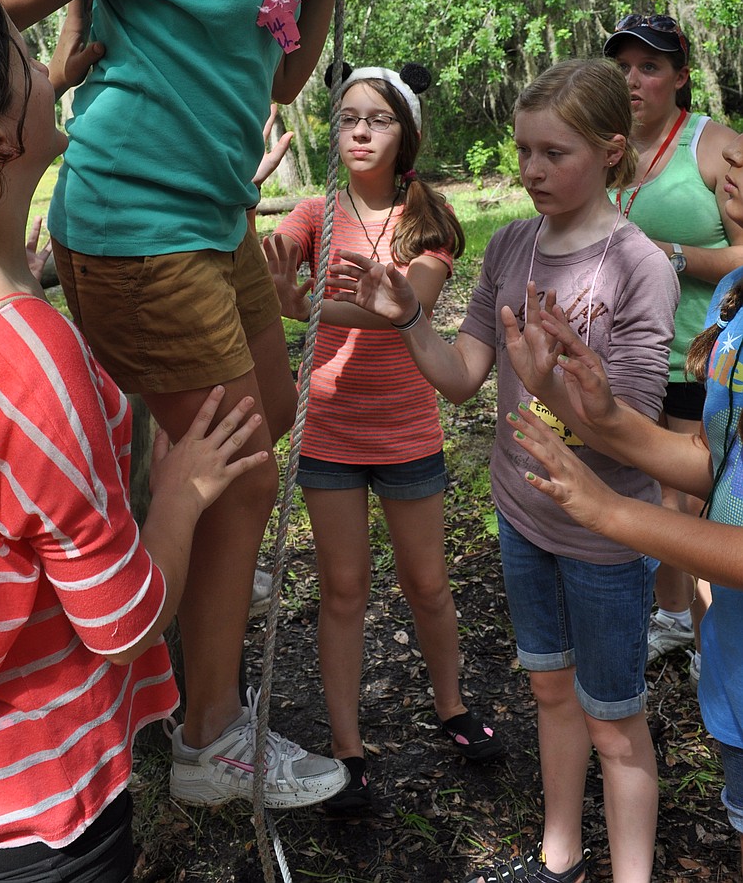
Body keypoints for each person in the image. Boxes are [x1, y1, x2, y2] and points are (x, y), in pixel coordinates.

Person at [0, 0, 386, 807]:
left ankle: (147, 594)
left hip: (211, 224)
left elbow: (274, 80)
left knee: (262, 414)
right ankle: (207, 742)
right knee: (243, 474)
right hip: (130, 225)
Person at [0, 0, 274, 881]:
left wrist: (46, 80)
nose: (47, 70)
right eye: (26, 59)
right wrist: (179, 495)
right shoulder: (31, 360)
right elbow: (126, 620)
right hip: (47, 801)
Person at [329, 59, 679, 883]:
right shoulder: (514, 244)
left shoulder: (639, 267)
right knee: (551, 693)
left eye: (554, 153)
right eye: (523, 151)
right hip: (524, 519)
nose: (530, 171)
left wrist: (555, 378)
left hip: (604, 537)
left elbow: (630, 432)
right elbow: (460, 375)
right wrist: (410, 317)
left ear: (610, 151)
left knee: (617, 724)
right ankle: (558, 856)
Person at [502, 119, 743, 877]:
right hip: (735, 665)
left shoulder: (641, 263)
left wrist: (609, 511)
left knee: (614, 715)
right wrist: (592, 413)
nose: (733, 159)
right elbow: (718, 465)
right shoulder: (733, 297)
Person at [263, 62, 500, 815]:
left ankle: (452, 704)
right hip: (328, 431)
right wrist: (272, 279)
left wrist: (310, 313)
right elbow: (266, 261)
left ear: (408, 134)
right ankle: (347, 745)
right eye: (347, 117)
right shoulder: (313, 212)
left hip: (405, 433)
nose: (359, 129)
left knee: (427, 583)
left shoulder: (429, 220)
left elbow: (408, 307)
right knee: (343, 589)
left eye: (378, 118)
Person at [603, 13, 743, 685]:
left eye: (650, 66)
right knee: (631, 485)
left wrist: (671, 255)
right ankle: (669, 616)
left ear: (681, 77)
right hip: (624, 351)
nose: (633, 79)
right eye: (624, 66)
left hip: (698, 351)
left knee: (688, 500)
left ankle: (707, 633)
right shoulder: (601, 143)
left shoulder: (714, 146)